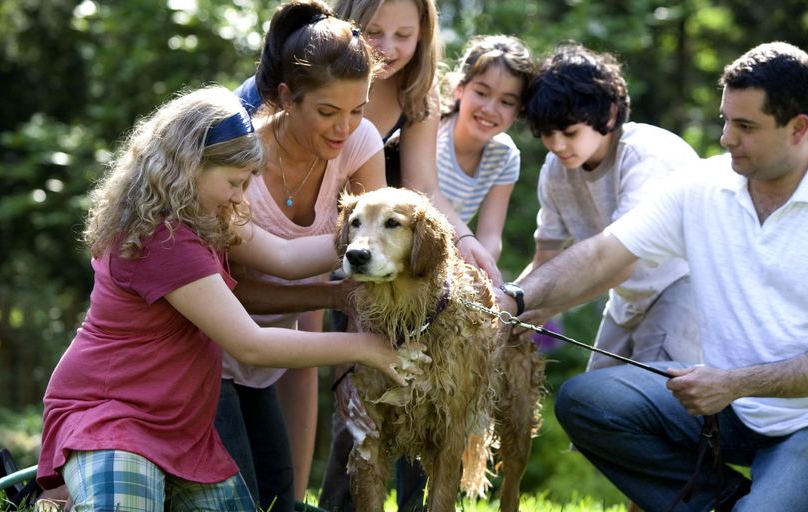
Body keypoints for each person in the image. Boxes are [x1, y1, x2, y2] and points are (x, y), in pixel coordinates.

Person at [498, 42, 808, 512]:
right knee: (588, 401)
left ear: (798, 128)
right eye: (725, 120)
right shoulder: (703, 187)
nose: (726, 138)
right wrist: (514, 298)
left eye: (745, 126)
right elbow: (602, 256)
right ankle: (731, 504)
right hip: (741, 411)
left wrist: (734, 383)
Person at [35, 85, 411, 510]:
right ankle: (58, 498)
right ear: (188, 168)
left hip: (180, 431)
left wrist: (374, 240)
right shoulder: (162, 238)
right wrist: (367, 347)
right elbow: (250, 343)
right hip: (114, 418)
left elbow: (286, 256)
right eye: (234, 182)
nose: (239, 196)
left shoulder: (198, 219)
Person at [216, 2, 386, 510]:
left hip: (265, 360)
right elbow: (233, 293)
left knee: (279, 502)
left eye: (357, 111)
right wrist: (334, 293)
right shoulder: (239, 159)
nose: (344, 128)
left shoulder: (359, 144)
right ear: (287, 97)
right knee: (241, 502)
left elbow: (375, 248)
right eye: (328, 112)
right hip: (205, 358)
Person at [511, 43, 701, 374]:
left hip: (686, 285)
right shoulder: (555, 171)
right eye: (547, 134)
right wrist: (511, 302)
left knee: (650, 395)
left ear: (610, 115)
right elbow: (545, 259)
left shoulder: (644, 158)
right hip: (627, 298)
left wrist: (548, 306)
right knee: (593, 397)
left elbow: (618, 263)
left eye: (570, 132)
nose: (557, 145)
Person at [332, 0, 501, 284]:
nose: (386, 48)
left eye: (403, 35)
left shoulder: (417, 89)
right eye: (373, 31)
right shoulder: (321, 80)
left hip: (361, 235)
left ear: (422, 32)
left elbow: (422, 186)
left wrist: (463, 238)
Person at [436, 34, 535, 261]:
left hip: (441, 260)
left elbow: (490, 235)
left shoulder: (505, 156)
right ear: (460, 88)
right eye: (481, 93)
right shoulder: (430, 132)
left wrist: (484, 271)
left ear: (518, 110)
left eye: (506, 102)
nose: (490, 109)